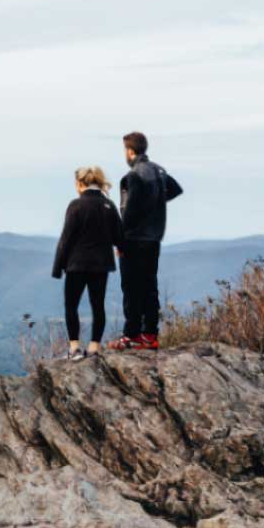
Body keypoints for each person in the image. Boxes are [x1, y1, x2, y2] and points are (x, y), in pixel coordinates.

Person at [109, 133, 183, 351]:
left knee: (131, 287)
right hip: (154, 238)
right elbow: (176, 189)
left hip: (133, 239)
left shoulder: (133, 175)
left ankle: (131, 335)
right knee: (149, 286)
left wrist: (120, 242)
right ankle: (150, 334)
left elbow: (129, 212)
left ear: (130, 151)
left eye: (125, 150)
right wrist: (155, 201)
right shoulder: (159, 171)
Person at [52, 166, 124, 359]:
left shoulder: (75, 205)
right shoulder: (108, 205)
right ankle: (93, 348)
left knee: (71, 305)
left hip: (76, 264)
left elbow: (66, 238)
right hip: (101, 265)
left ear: (79, 183)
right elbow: (119, 237)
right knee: (97, 305)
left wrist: (57, 267)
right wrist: (121, 248)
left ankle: (74, 348)